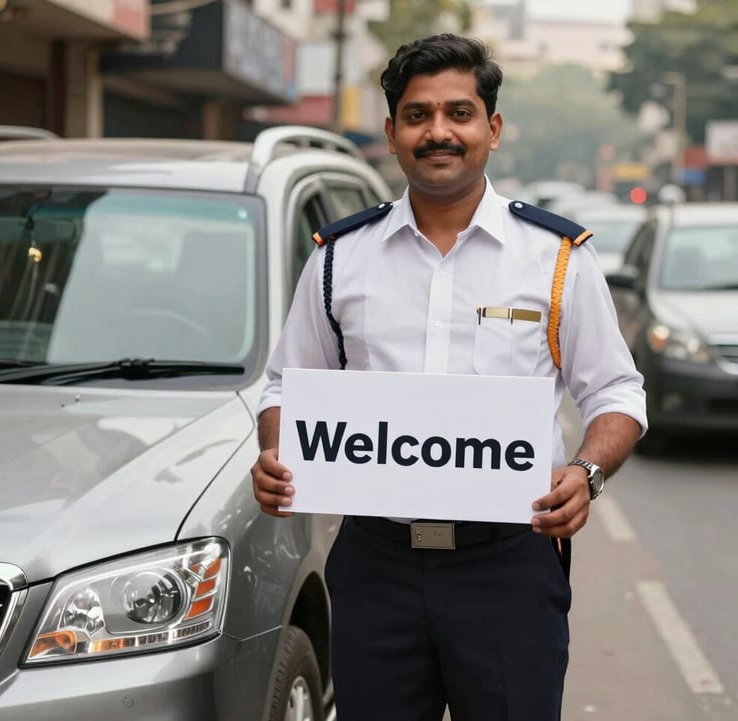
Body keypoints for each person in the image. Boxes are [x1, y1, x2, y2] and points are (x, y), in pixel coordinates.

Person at [251, 33, 646, 721]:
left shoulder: (555, 258)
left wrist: (587, 471)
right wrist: (277, 451)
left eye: (459, 113)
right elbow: (285, 385)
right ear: (393, 132)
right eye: (418, 115)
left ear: (491, 128)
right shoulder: (341, 259)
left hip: (509, 566)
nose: (438, 132)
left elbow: (616, 392)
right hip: (376, 563)